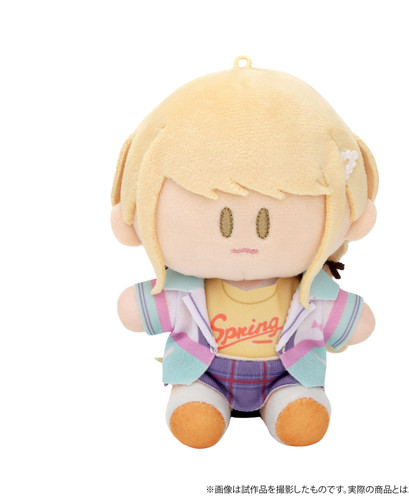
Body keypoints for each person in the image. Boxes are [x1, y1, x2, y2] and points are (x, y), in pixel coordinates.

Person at [111, 56, 379, 448]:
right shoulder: (184, 290)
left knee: (301, 417)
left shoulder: (311, 292)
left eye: (266, 222)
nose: (245, 239)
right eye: (223, 221)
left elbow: (358, 324)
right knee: (196, 418)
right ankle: (201, 405)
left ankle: (289, 406)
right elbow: (133, 311)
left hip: (289, 376)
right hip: (204, 375)